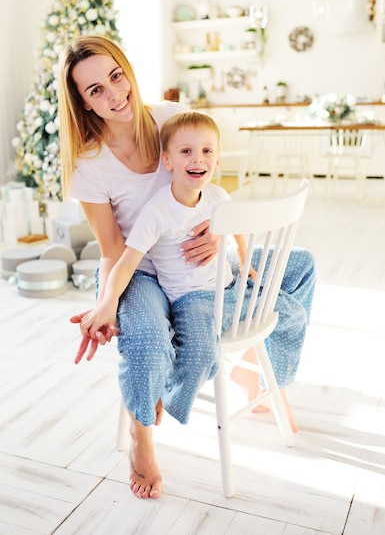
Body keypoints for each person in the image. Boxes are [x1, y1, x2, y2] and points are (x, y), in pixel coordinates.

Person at [58, 34, 316, 501]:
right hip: (135, 268)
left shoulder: (171, 120)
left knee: (298, 266)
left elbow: (208, 184)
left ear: (128, 70)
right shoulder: (88, 163)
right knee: (149, 338)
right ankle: (141, 434)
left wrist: (216, 230)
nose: (114, 94)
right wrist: (108, 302)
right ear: (82, 103)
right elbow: (114, 249)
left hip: (196, 260)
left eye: (116, 76)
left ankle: (259, 372)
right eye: (95, 90)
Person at [78, 110, 247, 427]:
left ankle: (254, 373)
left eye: (207, 151)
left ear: (218, 160)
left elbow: (236, 226)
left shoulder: (217, 195)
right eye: (186, 152)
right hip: (190, 298)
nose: (198, 159)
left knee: (290, 284)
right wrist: (108, 301)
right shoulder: (158, 210)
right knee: (202, 355)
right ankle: (169, 397)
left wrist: (244, 258)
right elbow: (124, 259)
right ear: (166, 161)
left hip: (225, 285)